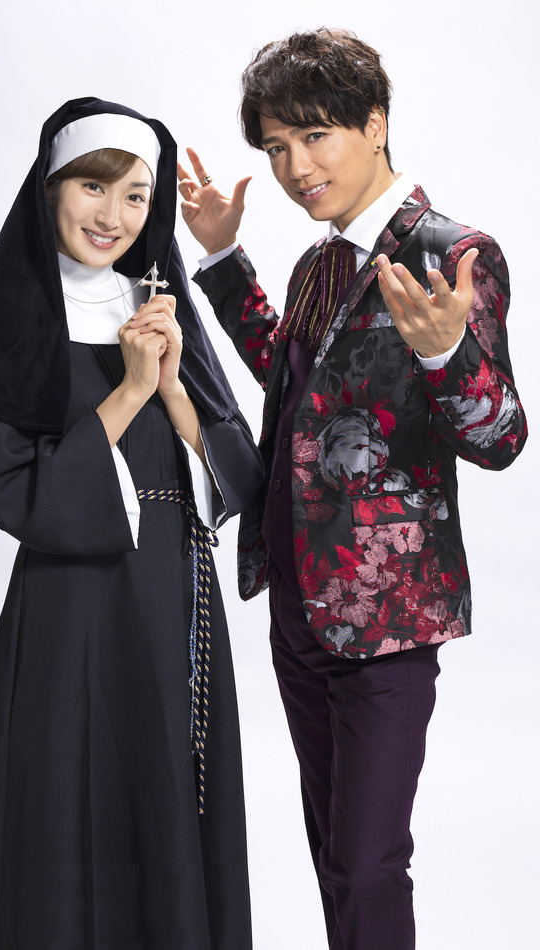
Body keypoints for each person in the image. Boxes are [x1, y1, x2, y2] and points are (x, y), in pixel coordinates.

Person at [177, 28, 527, 950]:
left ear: (375, 124)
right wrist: (222, 261)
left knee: (369, 861)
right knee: (335, 853)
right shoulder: (320, 261)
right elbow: (296, 386)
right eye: (276, 147)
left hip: (387, 614)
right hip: (296, 599)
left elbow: (501, 439)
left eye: (315, 136)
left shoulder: (454, 254)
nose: (296, 168)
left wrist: (447, 355)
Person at [0, 97, 263, 950]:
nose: (113, 216)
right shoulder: (13, 321)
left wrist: (172, 384)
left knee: (168, 804)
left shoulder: (160, 303)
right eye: (93, 187)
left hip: (175, 603)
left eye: (135, 197)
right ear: (50, 188)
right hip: (68, 611)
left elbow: (236, 473)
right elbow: (21, 497)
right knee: (62, 805)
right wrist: (129, 389)